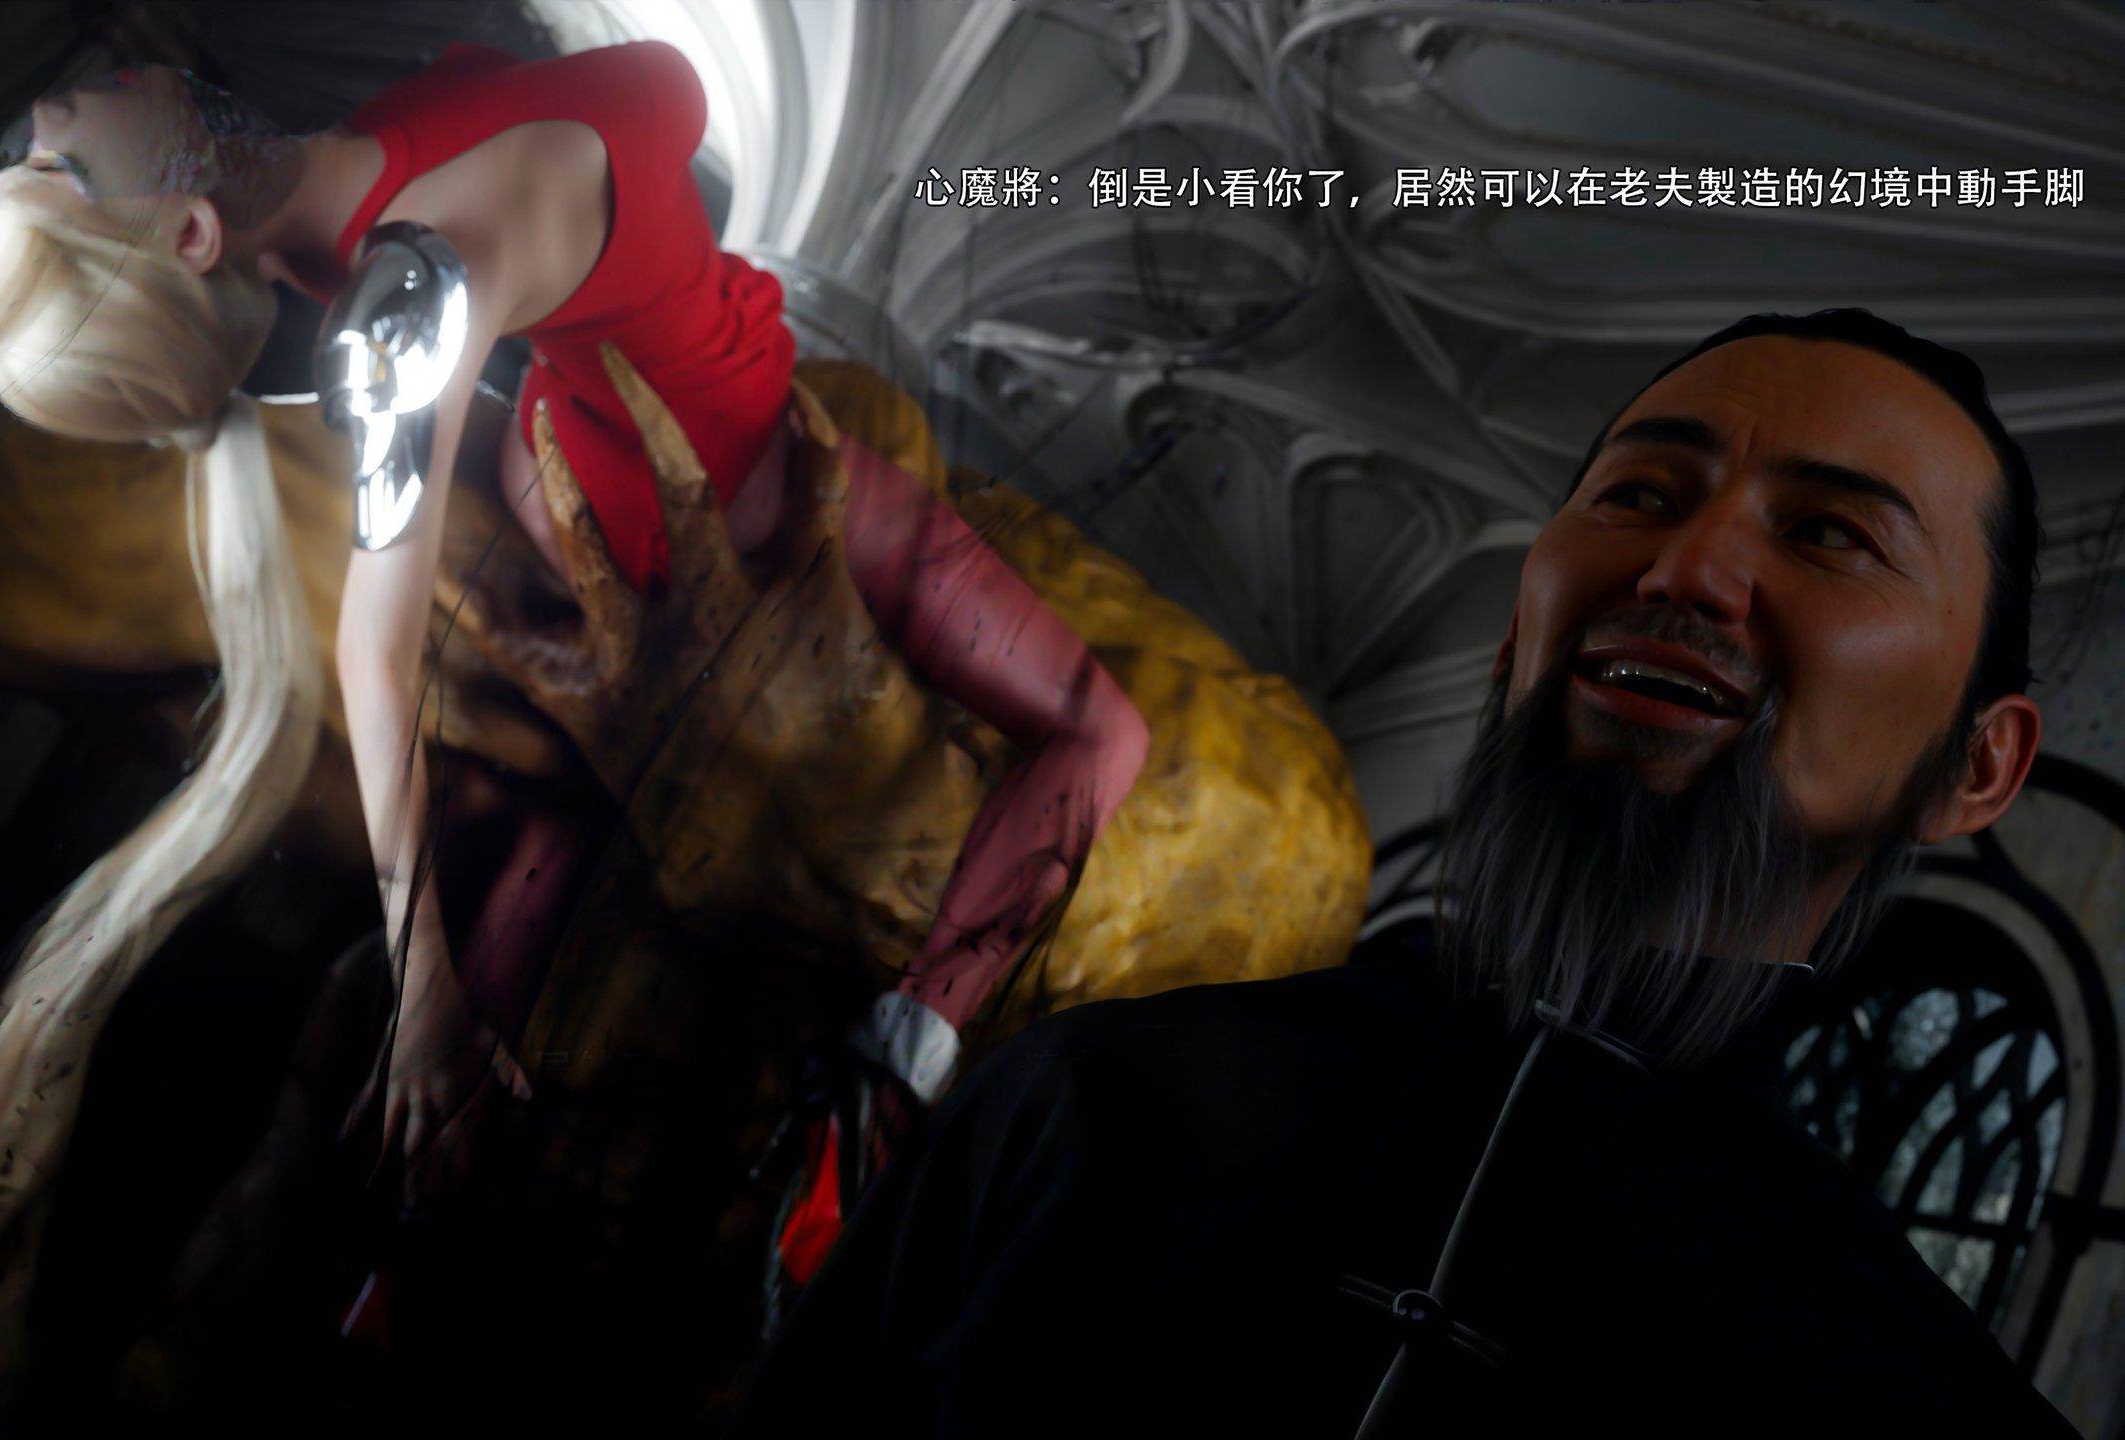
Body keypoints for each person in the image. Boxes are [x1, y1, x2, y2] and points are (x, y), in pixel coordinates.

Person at [0, 39, 1154, 1408]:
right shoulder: (404, 299)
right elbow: (375, 654)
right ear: (192, 233)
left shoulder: (339, 195)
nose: (44, 113)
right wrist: (422, 982)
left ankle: (410, 1260)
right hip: (709, 493)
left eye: (27, 153)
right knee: (1105, 735)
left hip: (604, 428)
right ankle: (889, 1083)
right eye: (62, 168)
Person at [735, 308, 2080, 1437]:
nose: (1687, 569)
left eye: (1832, 535)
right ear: (1514, 642)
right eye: (1639, 496)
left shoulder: (1929, 1408)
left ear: (1979, 766)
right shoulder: (1086, 1099)